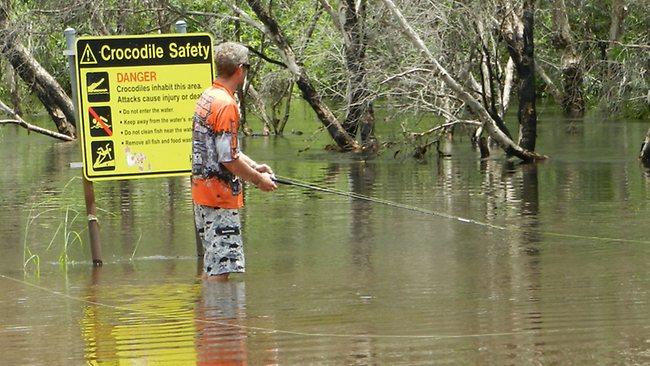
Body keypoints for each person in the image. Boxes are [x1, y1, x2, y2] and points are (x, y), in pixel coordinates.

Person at [191, 42, 277, 281]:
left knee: (213, 266)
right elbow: (227, 158)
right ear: (240, 69)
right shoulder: (226, 105)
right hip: (219, 197)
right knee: (221, 271)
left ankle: (210, 318)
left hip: (203, 195)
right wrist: (259, 180)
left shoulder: (208, 96)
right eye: (247, 67)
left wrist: (253, 166)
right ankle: (221, 319)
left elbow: (224, 149)